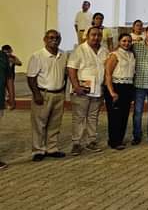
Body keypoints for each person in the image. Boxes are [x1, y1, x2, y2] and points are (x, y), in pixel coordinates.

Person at [26, 30, 68, 161]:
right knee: (39, 124)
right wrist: (36, 94)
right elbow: (31, 77)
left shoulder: (63, 55)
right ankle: (38, 150)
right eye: (51, 37)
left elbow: (65, 75)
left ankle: (52, 148)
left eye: (57, 38)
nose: (54, 40)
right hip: (43, 94)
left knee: (55, 123)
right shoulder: (37, 56)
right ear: (45, 39)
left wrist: (63, 91)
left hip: (58, 94)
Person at [67, 26, 109, 156]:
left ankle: (91, 141)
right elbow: (71, 69)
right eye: (93, 35)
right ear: (87, 36)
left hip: (97, 90)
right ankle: (76, 143)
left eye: (99, 35)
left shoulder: (104, 50)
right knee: (79, 117)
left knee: (93, 117)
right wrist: (76, 86)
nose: (96, 37)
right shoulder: (79, 50)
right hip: (81, 90)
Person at [102, 32, 135, 150]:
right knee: (114, 116)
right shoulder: (114, 55)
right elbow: (108, 74)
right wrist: (111, 91)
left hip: (128, 86)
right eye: (124, 41)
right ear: (119, 42)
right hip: (115, 86)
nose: (126, 43)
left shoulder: (131, 54)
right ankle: (114, 141)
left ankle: (120, 139)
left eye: (129, 41)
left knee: (124, 115)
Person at [1, 45, 20, 109]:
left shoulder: (13, 57)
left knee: (10, 91)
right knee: (3, 91)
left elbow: (19, 63)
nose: (7, 53)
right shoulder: (1, 57)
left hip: (10, 76)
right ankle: (5, 103)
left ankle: (12, 104)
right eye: (5, 52)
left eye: (8, 52)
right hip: (3, 76)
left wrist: (13, 61)